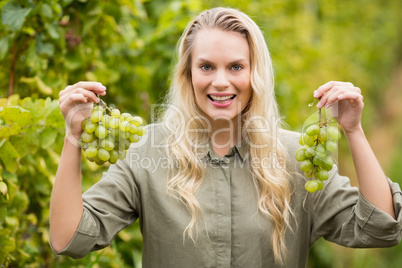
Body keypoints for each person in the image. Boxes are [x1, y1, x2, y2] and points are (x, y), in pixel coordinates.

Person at [50, 7, 402, 267]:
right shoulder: (149, 151)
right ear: (188, 74)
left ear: (255, 74)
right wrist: (73, 138)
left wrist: (353, 130)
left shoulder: (295, 157)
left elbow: (380, 229)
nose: (220, 81)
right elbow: (69, 238)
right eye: (206, 67)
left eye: (236, 67)